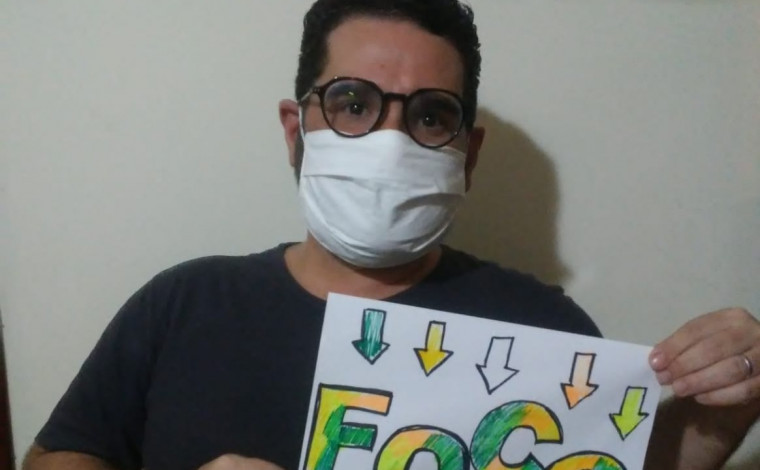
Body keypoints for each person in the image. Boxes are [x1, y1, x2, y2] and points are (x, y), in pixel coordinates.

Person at [23, 1, 760, 469]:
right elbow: (55, 458)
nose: (389, 140)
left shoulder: (541, 329)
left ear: (467, 153)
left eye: (430, 115)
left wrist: (718, 417)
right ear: (296, 130)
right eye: (353, 103)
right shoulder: (184, 303)